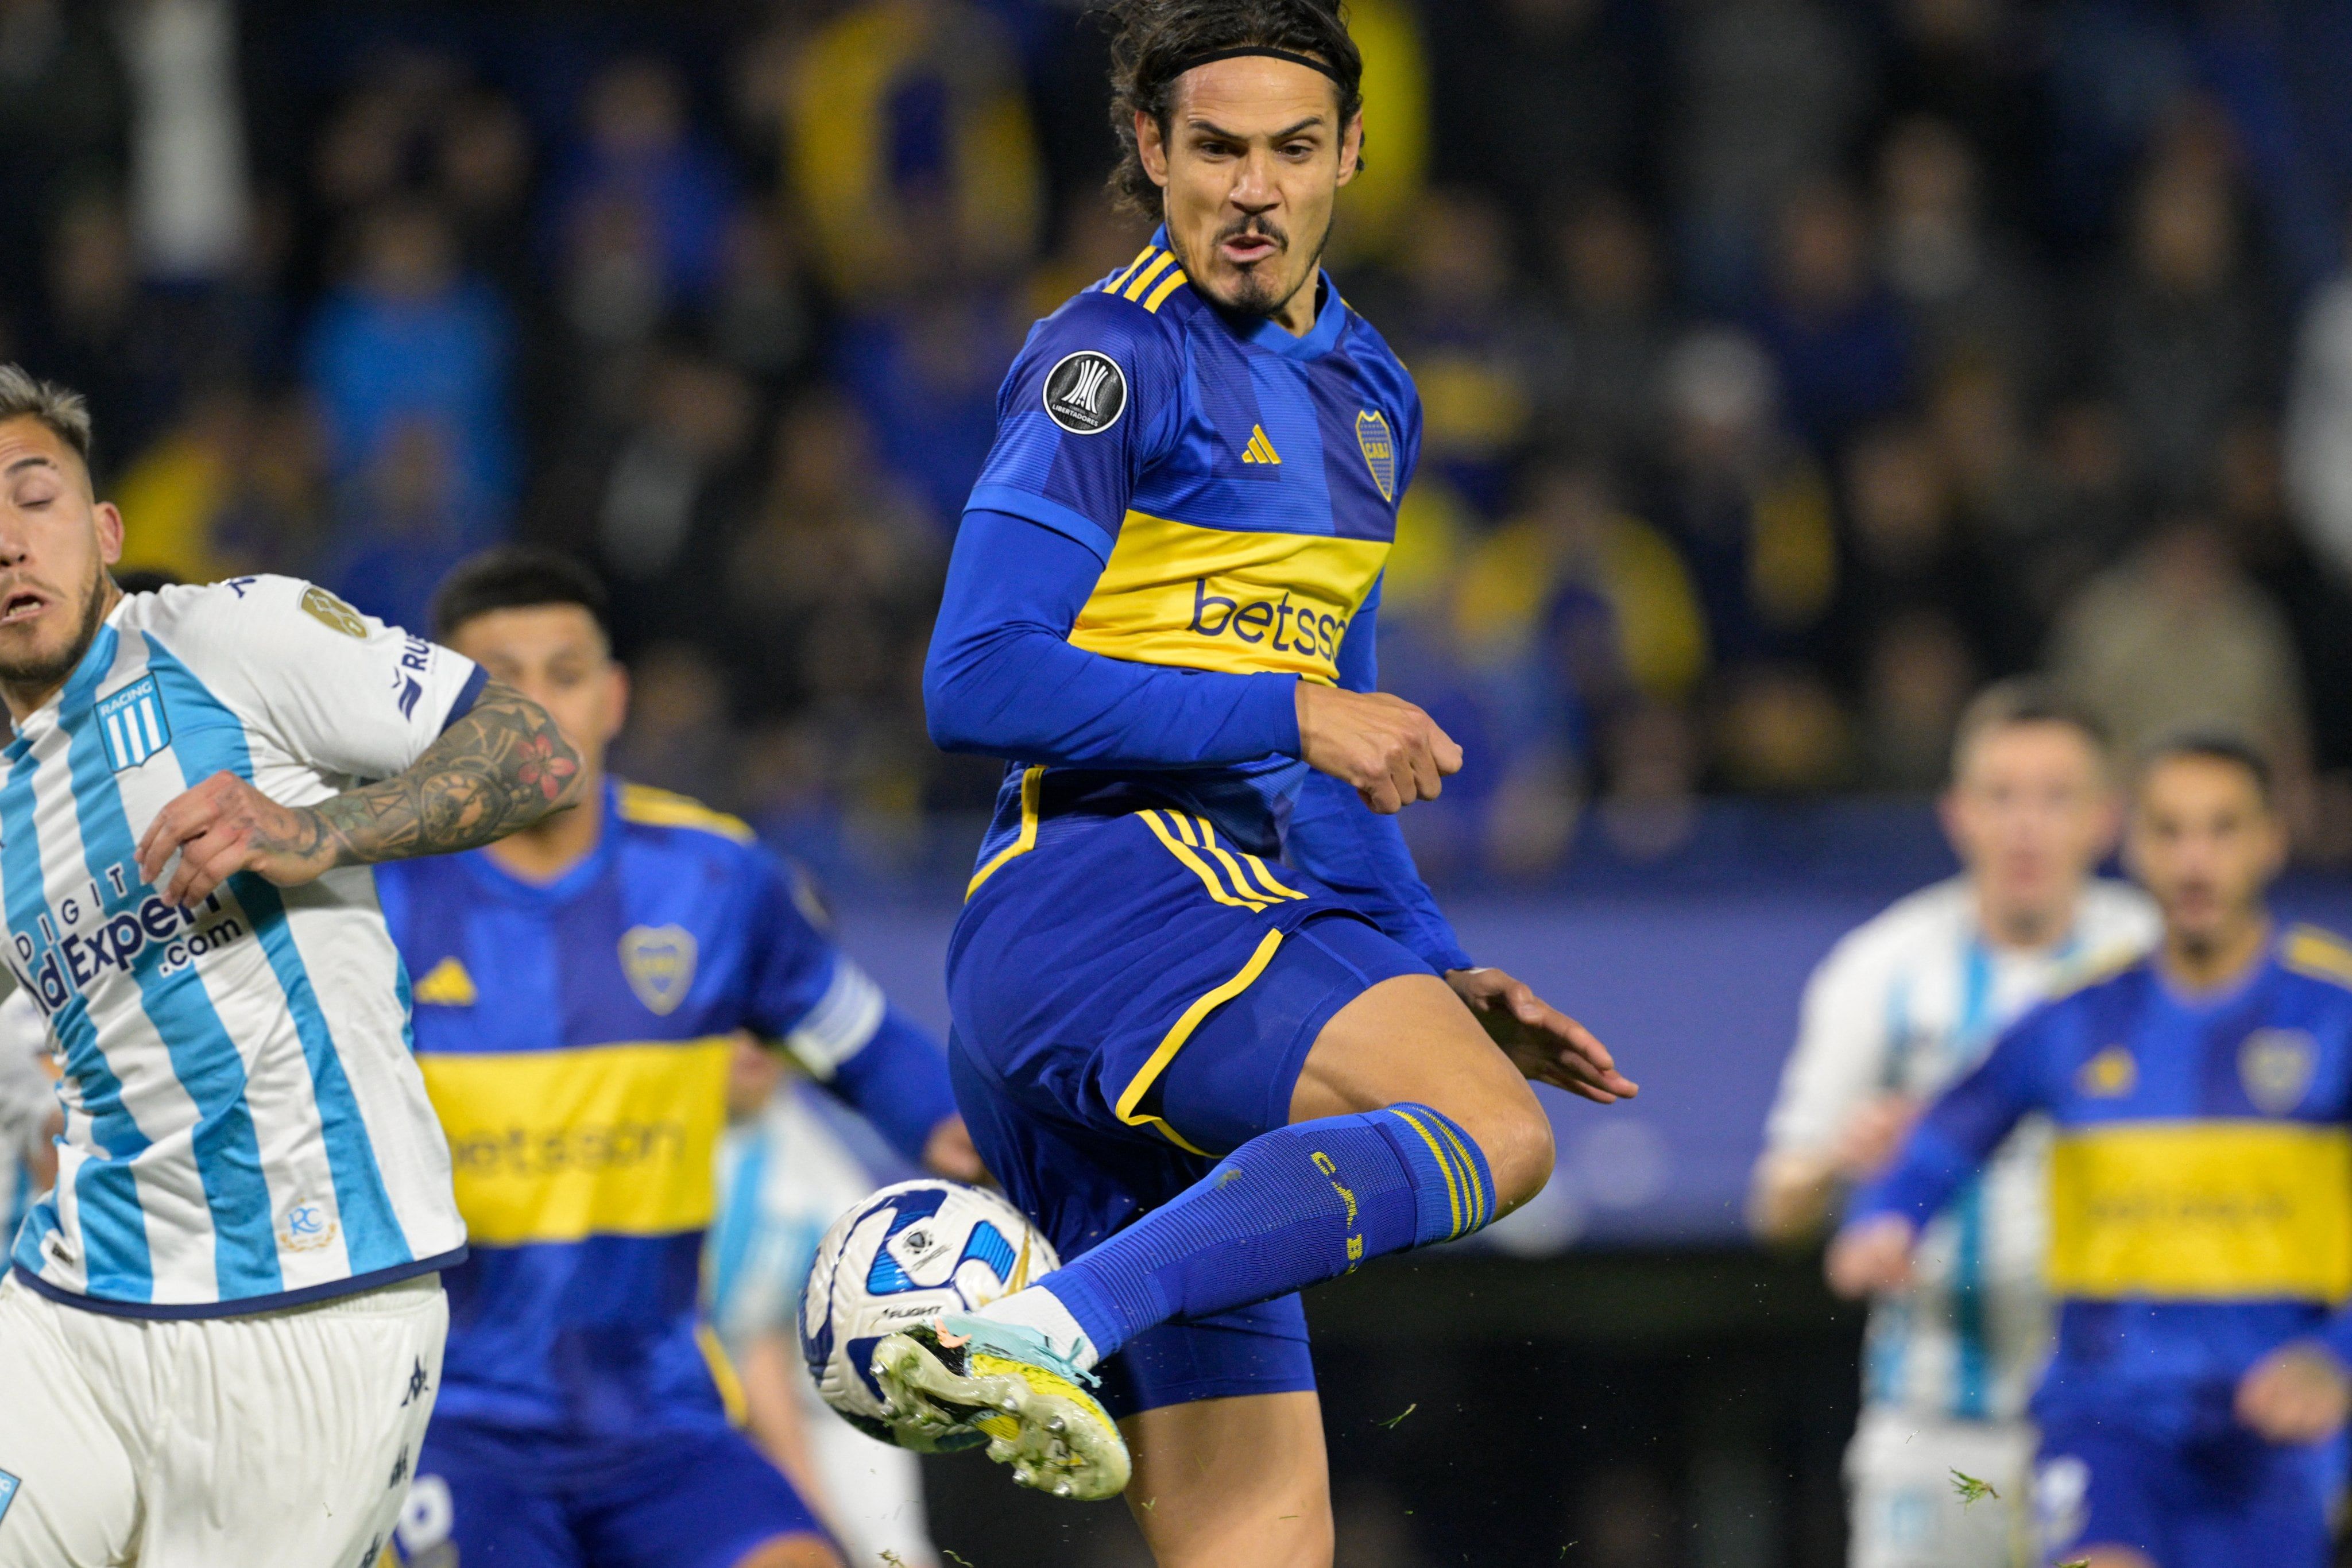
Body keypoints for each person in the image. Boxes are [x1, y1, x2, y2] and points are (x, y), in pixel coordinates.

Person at [899, 2, 1637, 1560]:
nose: (1254, 189)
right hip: (1109, 898)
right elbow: (975, 677)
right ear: (1151, 150)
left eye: (1293, 149)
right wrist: (1289, 709)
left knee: (1268, 1547)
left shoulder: (1374, 395)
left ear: (1351, 153)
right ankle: (1041, 1326)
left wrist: (1437, 967)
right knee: (1497, 1134)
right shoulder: (1109, 358)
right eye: (1216, 149)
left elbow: (1338, 762)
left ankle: (1055, 1319)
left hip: (1213, 919)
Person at [0, 364, 587, 1566]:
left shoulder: (230, 637)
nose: (7, 544)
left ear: (105, 530)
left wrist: (318, 830)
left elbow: (534, 752)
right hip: (74, 1303)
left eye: (34, 498)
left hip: (324, 1306)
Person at [375, 548, 976, 1568]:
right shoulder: (380, 903)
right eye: (500, 683)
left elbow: (863, 1040)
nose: (538, 707)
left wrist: (948, 1132)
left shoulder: (716, 878)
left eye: (565, 674)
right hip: (450, 1427)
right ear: (439, 715)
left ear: (614, 698)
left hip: (665, 1424)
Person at [1829, 737, 2352, 1568]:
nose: (2194, 861)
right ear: (2133, 845)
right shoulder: (2076, 1017)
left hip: (2275, 1425)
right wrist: (1888, 1214)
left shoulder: (2333, 1009)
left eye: (2222, 830)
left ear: (2270, 841)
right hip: (2106, 1414)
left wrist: (2337, 1354)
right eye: (2169, 831)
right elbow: (1951, 1129)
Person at [1750, 682, 2157, 1568]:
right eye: (2001, 795)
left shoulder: (2153, 962)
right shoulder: (1882, 967)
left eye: (2056, 796)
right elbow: (1777, 1208)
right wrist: (1841, 1160)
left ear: (2106, 817)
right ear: (1956, 812)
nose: (2026, 825)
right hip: (1935, 1434)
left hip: (2124, 1425)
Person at [710, 1038, 943, 1568]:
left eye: (765, 1022)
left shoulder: (820, 1188)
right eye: (729, 1021)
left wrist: (876, 1546)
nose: (751, 1043)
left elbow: (779, 1360)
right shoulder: (614, 1160)